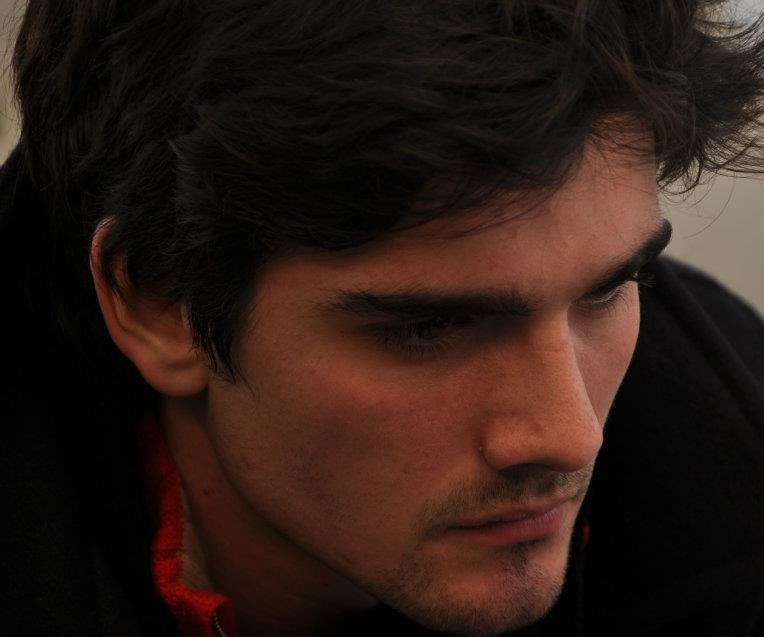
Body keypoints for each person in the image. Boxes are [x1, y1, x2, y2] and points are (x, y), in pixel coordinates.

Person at [2, 1, 764, 635]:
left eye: (610, 286)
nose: (570, 436)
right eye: (429, 328)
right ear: (160, 305)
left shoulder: (732, 449)